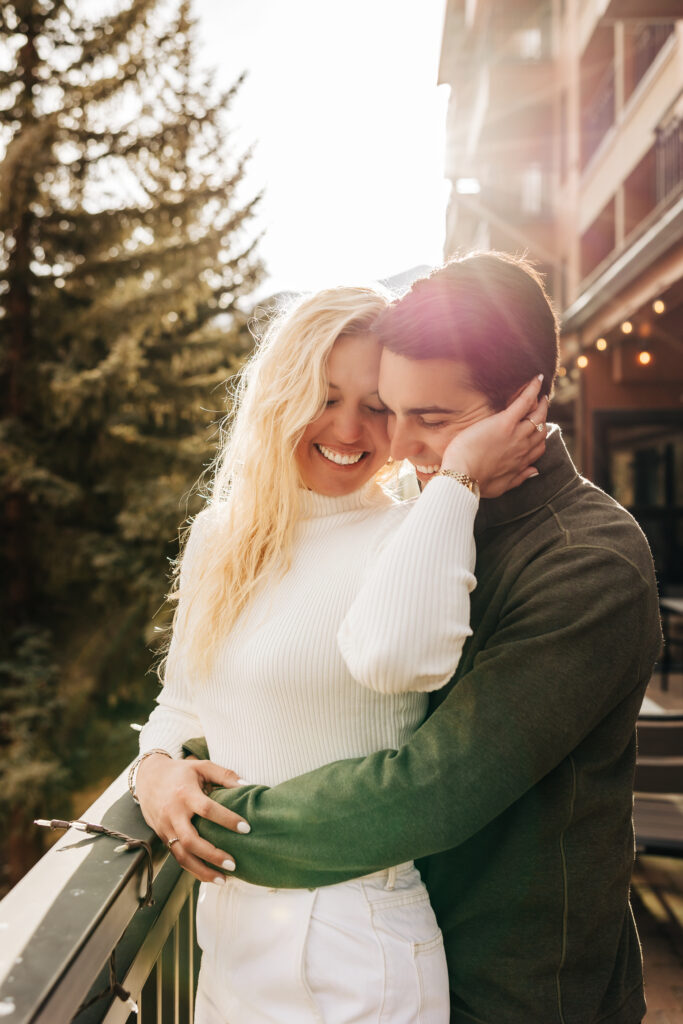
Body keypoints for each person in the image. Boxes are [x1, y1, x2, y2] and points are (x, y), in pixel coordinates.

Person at [184, 253, 661, 1024]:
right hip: (404, 956)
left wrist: (218, 823)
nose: (399, 447)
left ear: (529, 401)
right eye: (392, 410)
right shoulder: (429, 518)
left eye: (432, 420)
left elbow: (433, 789)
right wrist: (165, 765)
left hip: (523, 986)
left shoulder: (586, 562)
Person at [131, 280, 546, 1023]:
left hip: (356, 940)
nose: (350, 429)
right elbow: (182, 704)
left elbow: (400, 660)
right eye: (324, 397)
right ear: (280, 397)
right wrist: (154, 772)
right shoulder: (221, 540)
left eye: (378, 406)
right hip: (228, 932)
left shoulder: (414, 530)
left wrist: (456, 479)